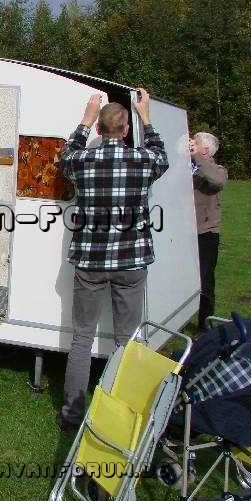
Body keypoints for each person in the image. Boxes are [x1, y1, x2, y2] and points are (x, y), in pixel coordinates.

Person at [57, 90, 169, 432]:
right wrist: (146, 116)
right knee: (127, 340)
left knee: (82, 338)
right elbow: (162, 155)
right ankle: (121, 411)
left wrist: (85, 118)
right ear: (125, 131)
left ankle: (71, 415)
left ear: (99, 130)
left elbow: (65, 154)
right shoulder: (143, 160)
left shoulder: (81, 162)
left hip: (90, 262)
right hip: (131, 261)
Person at [189, 132, 227, 331]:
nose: (190, 144)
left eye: (195, 143)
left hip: (206, 234)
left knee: (205, 281)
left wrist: (196, 158)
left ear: (205, 150)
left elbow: (215, 180)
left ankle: (205, 325)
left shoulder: (218, 170)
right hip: (185, 233)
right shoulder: (188, 168)